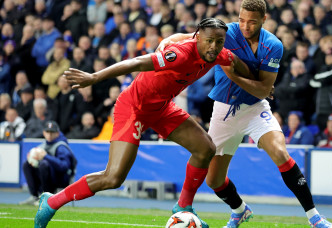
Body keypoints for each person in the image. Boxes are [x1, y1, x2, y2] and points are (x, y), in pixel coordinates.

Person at [34, 18, 256, 228]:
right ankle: (52, 202)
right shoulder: (179, 54)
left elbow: (236, 62)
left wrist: (258, 82)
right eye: (209, 41)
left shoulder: (218, 54)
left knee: (206, 148)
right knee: (113, 178)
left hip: (161, 108)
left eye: (219, 42)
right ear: (198, 37)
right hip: (134, 108)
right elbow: (137, 62)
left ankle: (183, 206)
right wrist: (94, 77)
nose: (214, 47)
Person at [158, 0, 332, 227]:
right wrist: (166, 42)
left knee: (280, 152)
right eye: (242, 20)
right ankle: (239, 210)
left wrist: (232, 74)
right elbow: (187, 37)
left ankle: (315, 218)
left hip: (255, 109)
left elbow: (263, 90)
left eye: (252, 22)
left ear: (264, 20)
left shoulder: (273, 45)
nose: (245, 26)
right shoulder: (227, 32)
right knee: (213, 180)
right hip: (223, 111)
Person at [20, 121, 77, 206]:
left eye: (52, 132)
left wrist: (46, 156)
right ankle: (35, 196)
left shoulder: (61, 146)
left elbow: (64, 166)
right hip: (47, 176)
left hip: (62, 178)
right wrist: (31, 158)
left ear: (57, 133)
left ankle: (47, 198)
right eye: (47, 132)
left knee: (44, 164)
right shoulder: (42, 146)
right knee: (26, 164)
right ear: (44, 133)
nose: (49, 135)